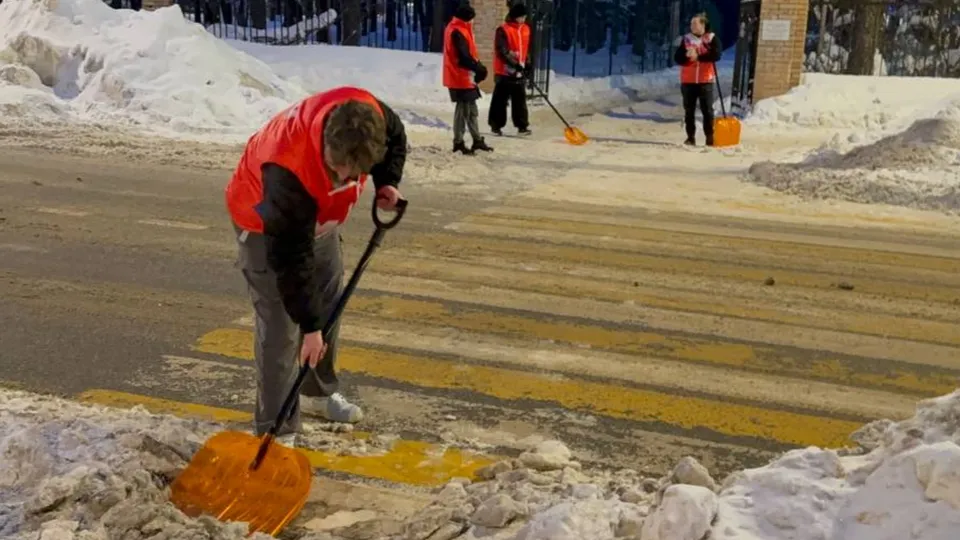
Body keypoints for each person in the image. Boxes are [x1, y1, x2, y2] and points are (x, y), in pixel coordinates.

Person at [225, 86, 407, 444]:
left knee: (328, 303)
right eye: (338, 170)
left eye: (354, 174)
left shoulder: (372, 114)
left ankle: (315, 394)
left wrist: (387, 182)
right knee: (282, 326)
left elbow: (397, 136)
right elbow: (291, 260)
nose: (344, 180)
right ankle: (277, 430)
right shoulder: (286, 166)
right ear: (325, 143)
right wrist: (309, 328)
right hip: (265, 226)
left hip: (320, 220)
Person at [443, 1, 494, 155]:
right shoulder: (457, 31)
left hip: (465, 76)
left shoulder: (460, 28)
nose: (473, 21)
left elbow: (468, 54)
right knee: (462, 110)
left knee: (471, 109)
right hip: (459, 76)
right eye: (472, 18)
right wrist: (478, 68)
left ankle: (476, 139)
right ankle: (458, 142)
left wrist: (477, 67)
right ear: (467, 18)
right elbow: (463, 57)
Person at [673, 13, 722, 146]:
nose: (692, 26)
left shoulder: (711, 38)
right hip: (688, 80)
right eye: (691, 24)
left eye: (695, 23)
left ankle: (709, 137)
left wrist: (699, 56)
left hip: (705, 80)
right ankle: (690, 137)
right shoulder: (686, 39)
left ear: (703, 25)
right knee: (689, 110)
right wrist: (686, 55)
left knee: (707, 110)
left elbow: (717, 55)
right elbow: (677, 58)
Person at [489, 2, 532, 137]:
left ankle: (522, 126)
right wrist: (514, 64)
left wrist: (528, 64)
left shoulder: (525, 29)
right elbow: (502, 51)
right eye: (521, 17)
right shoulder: (503, 29)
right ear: (514, 16)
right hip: (504, 71)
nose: (523, 19)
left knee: (520, 100)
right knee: (500, 99)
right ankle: (496, 125)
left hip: (519, 70)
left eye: (524, 17)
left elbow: (526, 49)